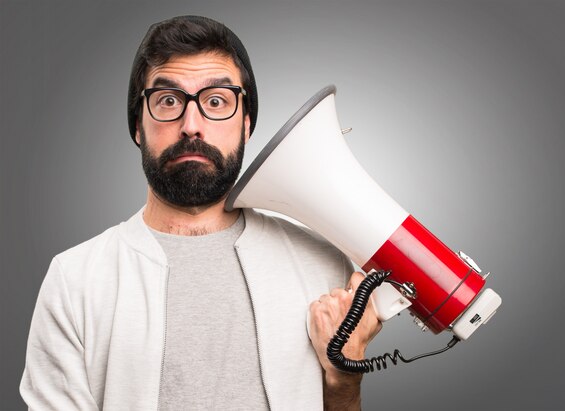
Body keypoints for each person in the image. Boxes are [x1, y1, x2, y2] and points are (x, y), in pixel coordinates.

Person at [20, 15, 380, 411]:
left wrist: (344, 377)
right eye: (168, 101)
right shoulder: (75, 281)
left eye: (215, 101)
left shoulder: (321, 264)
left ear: (246, 124)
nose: (191, 125)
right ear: (138, 126)